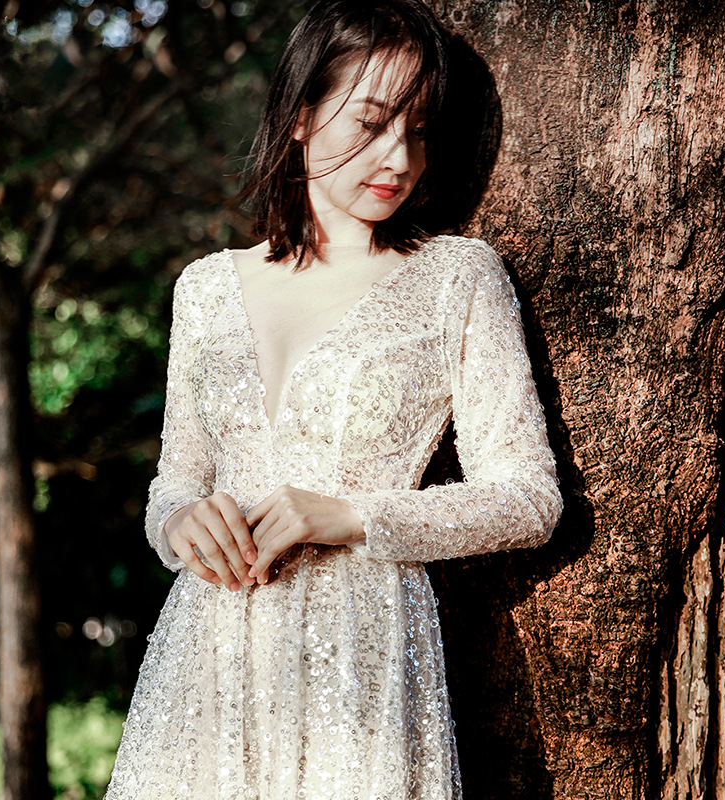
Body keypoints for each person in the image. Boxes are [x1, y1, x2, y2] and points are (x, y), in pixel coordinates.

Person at [105, 0, 562, 797]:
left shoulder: (457, 276)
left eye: (419, 130)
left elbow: (529, 498)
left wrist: (352, 516)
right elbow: (176, 483)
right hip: (207, 657)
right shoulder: (206, 289)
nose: (400, 157)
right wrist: (179, 523)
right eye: (373, 122)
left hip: (365, 653)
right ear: (300, 115)